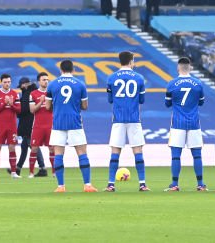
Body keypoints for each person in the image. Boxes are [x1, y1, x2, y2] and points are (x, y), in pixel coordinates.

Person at [45, 59, 96, 192]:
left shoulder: (52, 85)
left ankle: (61, 186)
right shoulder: (80, 84)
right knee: (82, 153)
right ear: (73, 70)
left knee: (58, 154)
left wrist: (59, 107)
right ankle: (87, 185)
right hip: (75, 122)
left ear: (60, 70)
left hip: (58, 122)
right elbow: (85, 106)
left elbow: (47, 106)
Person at [105, 51, 148, 192]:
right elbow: (142, 100)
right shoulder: (139, 78)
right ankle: (142, 184)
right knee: (138, 151)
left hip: (118, 119)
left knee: (115, 152)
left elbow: (110, 100)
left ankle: (111, 184)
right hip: (134, 119)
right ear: (131, 61)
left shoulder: (111, 78)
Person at [164, 57, 206, 192]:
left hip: (178, 123)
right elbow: (201, 102)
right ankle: (200, 184)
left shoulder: (171, 84)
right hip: (194, 122)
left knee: (176, 155)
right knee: (197, 155)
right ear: (190, 67)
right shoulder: (198, 84)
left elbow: (167, 104)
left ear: (178, 68)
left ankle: (175, 184)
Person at [0, 73, 21, 179]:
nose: (7, 84)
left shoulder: (15, 94)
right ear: (1, 82)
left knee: (12, 147)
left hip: (11, 124)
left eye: (9, 82)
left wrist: (11, 104)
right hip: (0, 124)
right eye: (5, 82)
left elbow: (19, 110)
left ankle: (13, 172)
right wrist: (4, 103)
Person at [16, 77, 47, 177]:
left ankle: (42, 168)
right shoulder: (33, 92)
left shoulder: (27, 94)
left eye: (21, 85)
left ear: (24, 85)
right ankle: (18, 168)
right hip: (30, 124)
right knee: (24, 147)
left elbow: (24, 110)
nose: (21, 87)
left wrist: (16, 108)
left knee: (34, 147)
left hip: (29, 125)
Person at [27, 73, 52, 178]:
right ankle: (31, 173)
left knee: (52, 149)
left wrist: (47, 103)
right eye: (43, 79)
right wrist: (41, 101)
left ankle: (54, 172)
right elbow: (32, 110)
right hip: (38, 126)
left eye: (47, 79)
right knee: (34, 149)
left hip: (50, 125)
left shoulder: (51, 93)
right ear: (39, 81)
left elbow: (52, 108)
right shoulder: (33, 94)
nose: (46, 81)